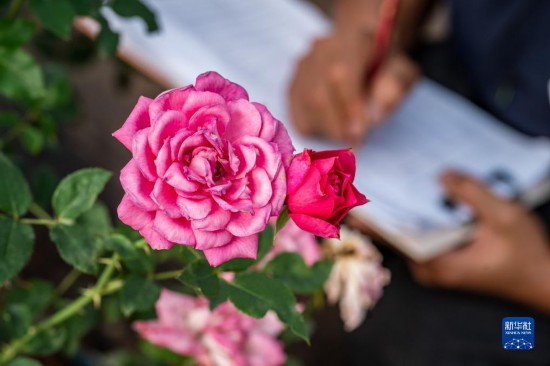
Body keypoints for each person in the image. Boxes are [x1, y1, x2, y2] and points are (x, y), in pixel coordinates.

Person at [289, 0, 550, 364]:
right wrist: (365, 32)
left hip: (533, 282)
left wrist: (537, 277)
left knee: (488, 340)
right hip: (457, 94)